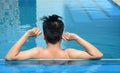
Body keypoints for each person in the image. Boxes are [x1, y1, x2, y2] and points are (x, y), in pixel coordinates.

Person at [5, 14, 103, 61]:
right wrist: (77, 38)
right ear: (62, 36)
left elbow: (9, 57)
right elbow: (97, 55)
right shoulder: (68, 54)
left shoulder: (38, 53)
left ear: (44, 36)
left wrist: (26, 35)